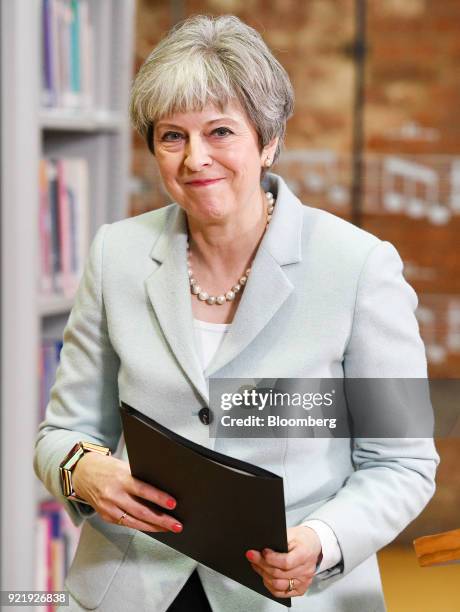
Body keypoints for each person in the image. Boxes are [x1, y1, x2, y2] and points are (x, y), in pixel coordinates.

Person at [34, 14, 439, 612]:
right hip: (128, 588)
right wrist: (83, 472)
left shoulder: (361, 268)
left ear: (267, 140)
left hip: (290, 595)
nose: (196, 158)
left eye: (220, 131)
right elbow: (61, 434)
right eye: (172, 136)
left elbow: (403, 461)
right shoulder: (114, 254)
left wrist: (321, 542)